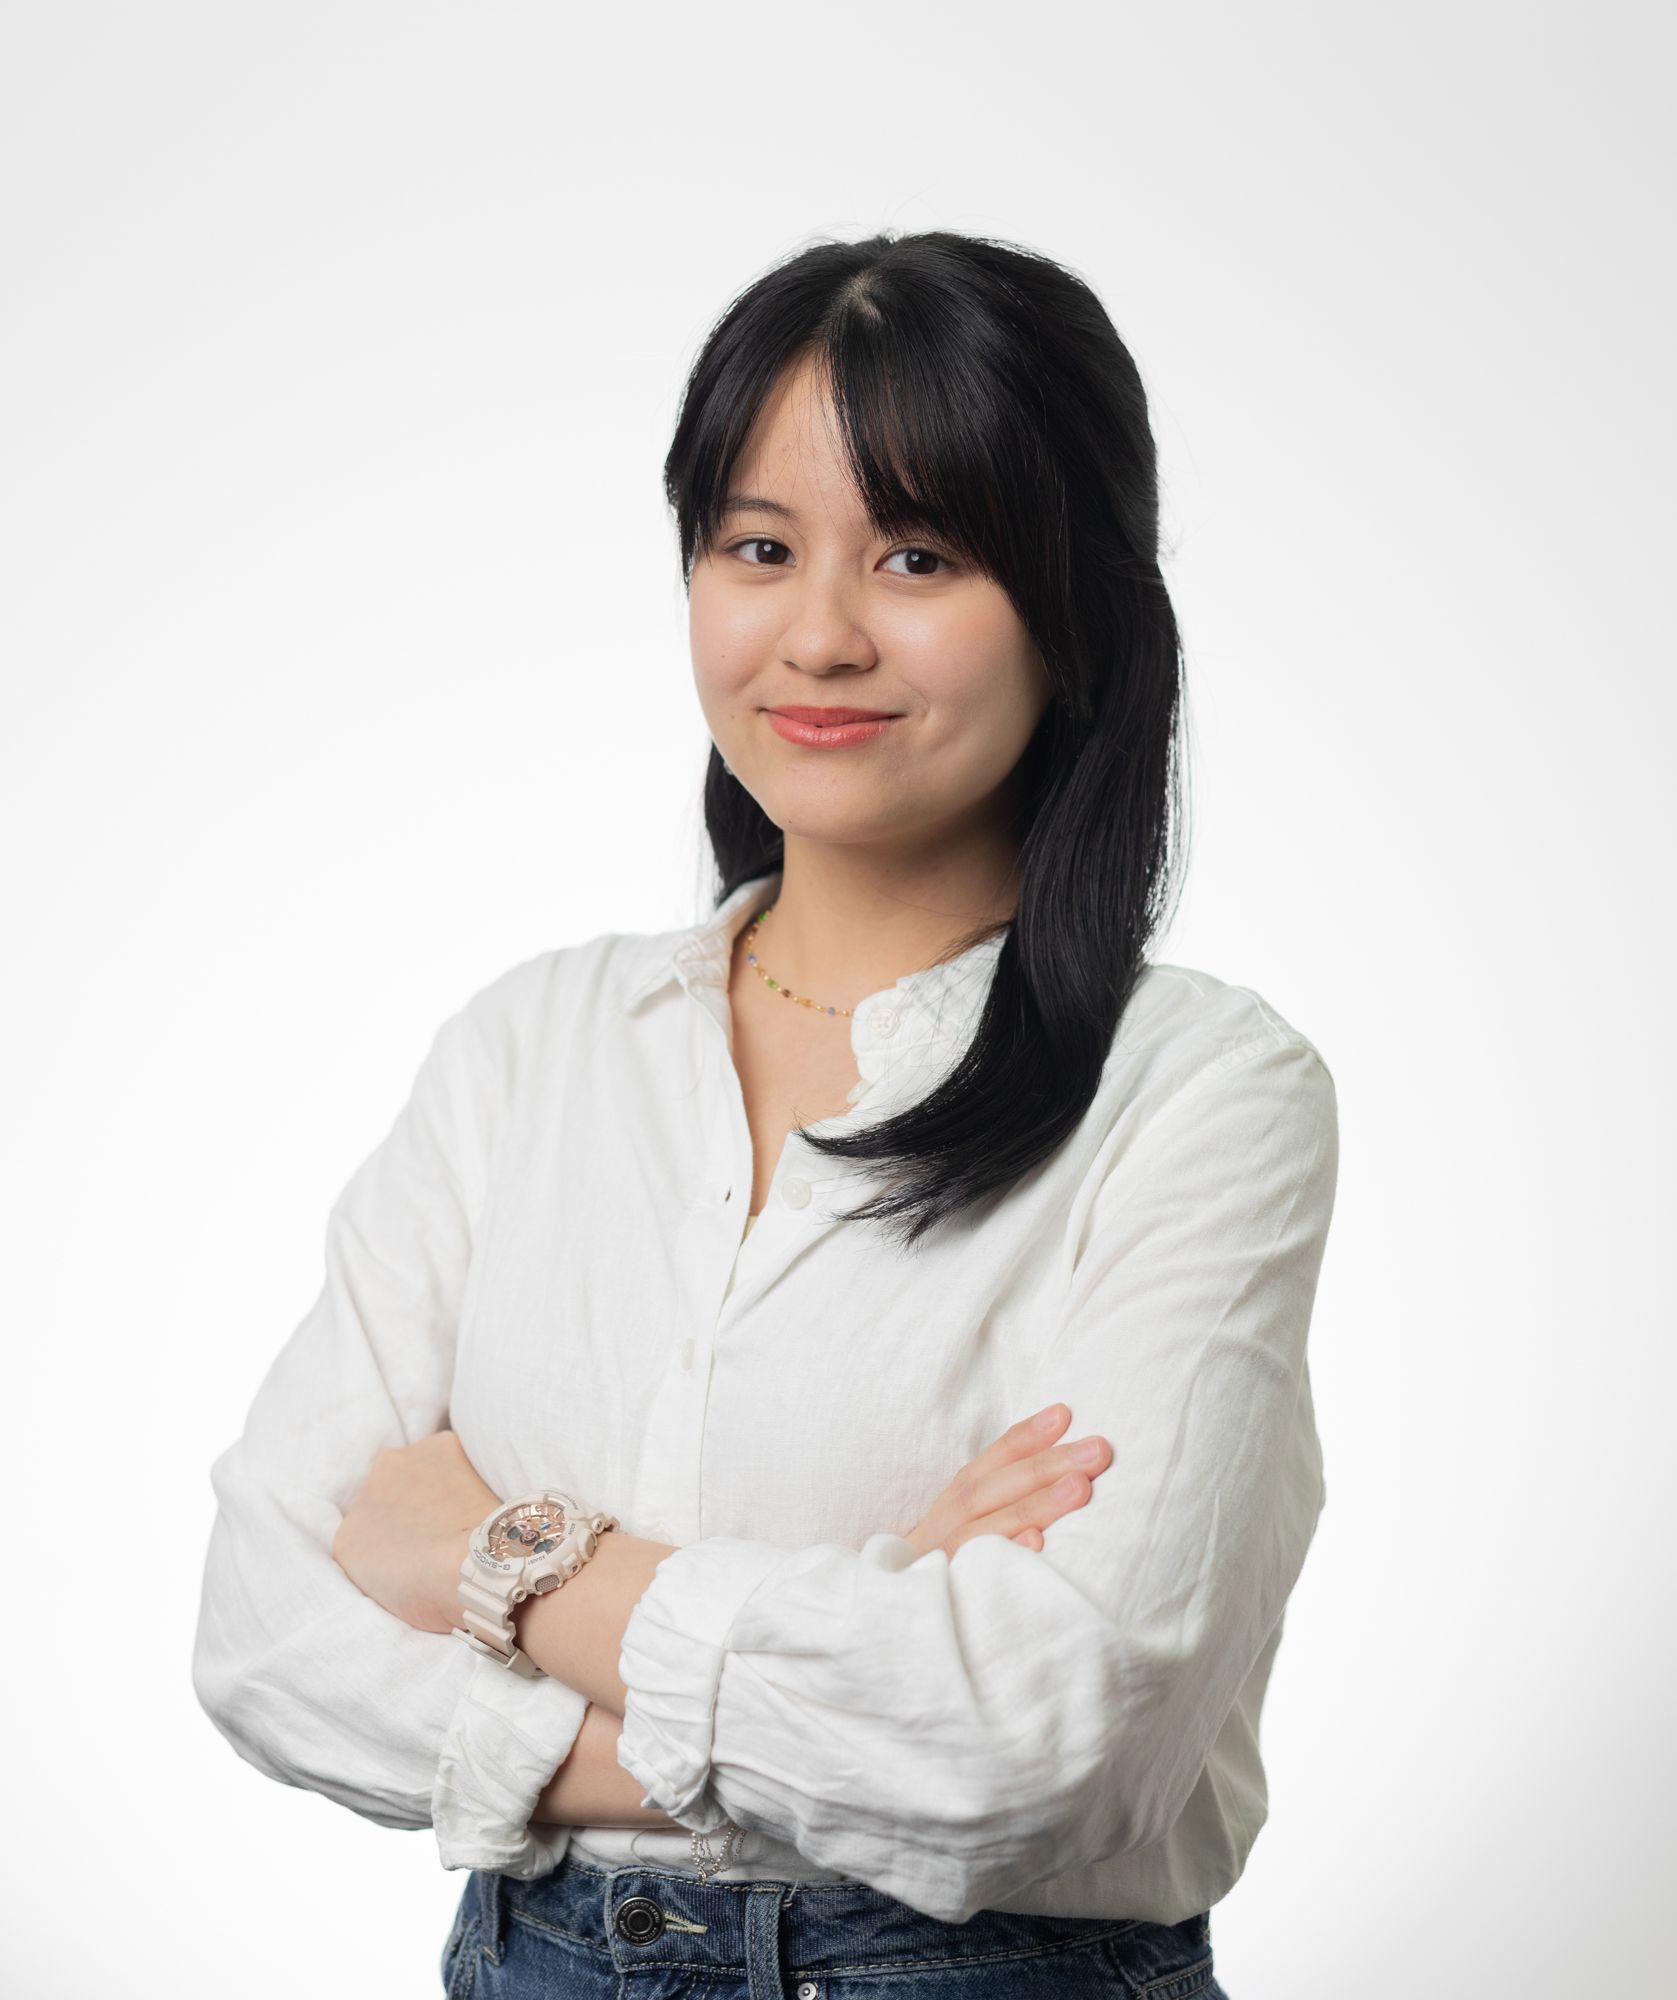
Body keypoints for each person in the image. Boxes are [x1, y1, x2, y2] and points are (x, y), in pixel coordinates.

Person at [193, 228, 1338, 1999]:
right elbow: (265, 1632)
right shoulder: (531, 1049)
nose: (817, 632)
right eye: (756, 546)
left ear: (1077, 612)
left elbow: (1043, 1743)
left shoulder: (1197, 1094)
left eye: (918, 554)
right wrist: (850, 1632)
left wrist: (504, 1560)